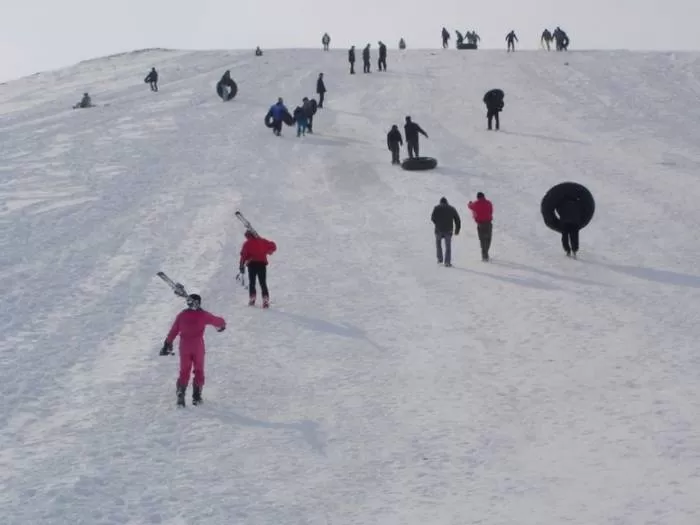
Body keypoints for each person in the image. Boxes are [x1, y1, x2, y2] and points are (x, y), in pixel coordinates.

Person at [160, 294, 226, 407]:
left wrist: (167, 342)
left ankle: (181, 393)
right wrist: (223, 324)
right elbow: (218, 322)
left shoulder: (182, 315)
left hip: (184, 346)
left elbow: (174, 330)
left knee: (184, 371)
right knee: (199, 370)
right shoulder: (203, 315)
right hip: (198, 346)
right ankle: (196, 396)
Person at [239, 230, 277, 307]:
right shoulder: (262, 241)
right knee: (263, 282)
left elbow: (243, 255)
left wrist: (241, 265)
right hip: (262, 264)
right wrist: (269, 250)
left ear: (248, 236)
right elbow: (273, 246)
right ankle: (265, 299)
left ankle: (252, 297)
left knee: (252, 282)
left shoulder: (247, 244)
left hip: (252, 264)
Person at [431, 197, 461, 267]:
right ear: (447, 202)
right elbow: (457, 220)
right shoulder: (451, 208)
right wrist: (457, 230)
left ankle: (440, 259)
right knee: (448, 246)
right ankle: (447, 262)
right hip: (448, 230)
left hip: (438, 230)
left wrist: (437, 223)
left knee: (438, 244)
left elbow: (432, 218)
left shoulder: (436, 208)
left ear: (440, 202)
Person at [467, 192, 494, 261]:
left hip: (480, 224)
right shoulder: (489, 203)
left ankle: (484, 254)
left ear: (477, 197)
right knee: (488, 238)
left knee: (482, 239)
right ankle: (486, 252)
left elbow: (470, 206)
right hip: (488, 223)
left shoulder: (475, 204)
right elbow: (491, 211)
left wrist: (469, 203)